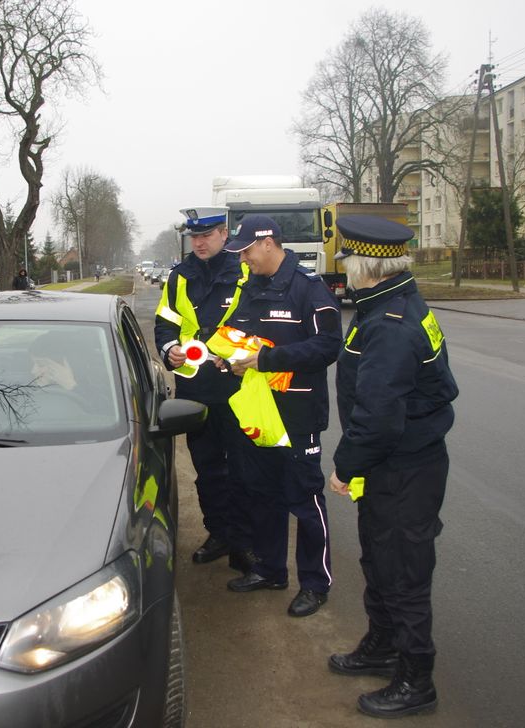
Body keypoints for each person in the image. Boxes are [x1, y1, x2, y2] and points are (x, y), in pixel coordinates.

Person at [325, 215, 458, 719]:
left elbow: (379, 416)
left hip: (403, 467)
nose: (346, 273)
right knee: (379, 559)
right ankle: (381, 646)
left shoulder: (390, 324)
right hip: (394, 466)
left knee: (403, 571)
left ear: (365, 267)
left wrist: (345, 466)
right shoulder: (388, 304)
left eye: (348, 265)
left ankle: (416, 679)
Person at [221, 215, 342, 617]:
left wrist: (267, 359)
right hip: (259, 414)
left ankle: (315, 583)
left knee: (304, 500)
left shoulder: (309, 288)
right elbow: (236, 335)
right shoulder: (249, 287)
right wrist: (227, 360)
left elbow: (328, 346)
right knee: (263, 496)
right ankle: (271, 570)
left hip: (297, 413)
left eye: (247, 250)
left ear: (268, 243)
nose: (243, 259)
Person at [154, 206, 257, 573]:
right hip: (195, 389)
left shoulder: (246, 272)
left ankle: (245, 543)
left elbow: (261, 329)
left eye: (206, 235)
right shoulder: (179, 276)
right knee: (208, 468)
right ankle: (219, 534)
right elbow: (165, 323)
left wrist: (235, 354)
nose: (198, 242)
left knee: (244, 470)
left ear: (224, 235)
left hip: (239, 387)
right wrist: (170, 350)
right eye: (194, 237)